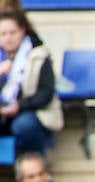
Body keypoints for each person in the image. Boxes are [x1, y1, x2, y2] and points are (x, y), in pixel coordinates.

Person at [0, 10, 61, 155]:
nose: (8, 38)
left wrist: (19, 106)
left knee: (24, 125)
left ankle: (34, 167)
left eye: (12, 33)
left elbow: (46, 93)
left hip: (30, 112)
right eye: (3, 34)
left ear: (22, 31)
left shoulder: (38, 55)